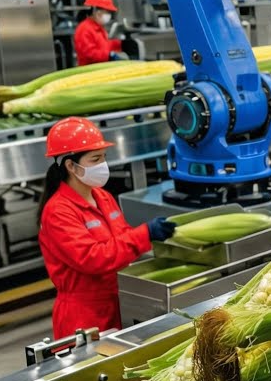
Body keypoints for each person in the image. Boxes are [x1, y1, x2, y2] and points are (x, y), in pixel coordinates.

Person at [38, 117, 176, 338]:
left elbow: (120, 239)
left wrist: (154, 236)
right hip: (84, 316)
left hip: (117, 302)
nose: (103, 165)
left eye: (104, 157)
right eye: (95, 159)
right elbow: (93, 258)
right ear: (71, 166)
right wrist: (145, 234)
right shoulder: (58, 211)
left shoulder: (102, 197)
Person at [74, 0, 127, 66]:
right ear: (96, 11)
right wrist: (109, 55)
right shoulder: (84, 29)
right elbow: (90, 54)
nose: (109, 15)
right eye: (107, 12)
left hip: (101, 69)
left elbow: (105, 46)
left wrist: (121, 44)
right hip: (91, 73)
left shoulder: (98, 28)